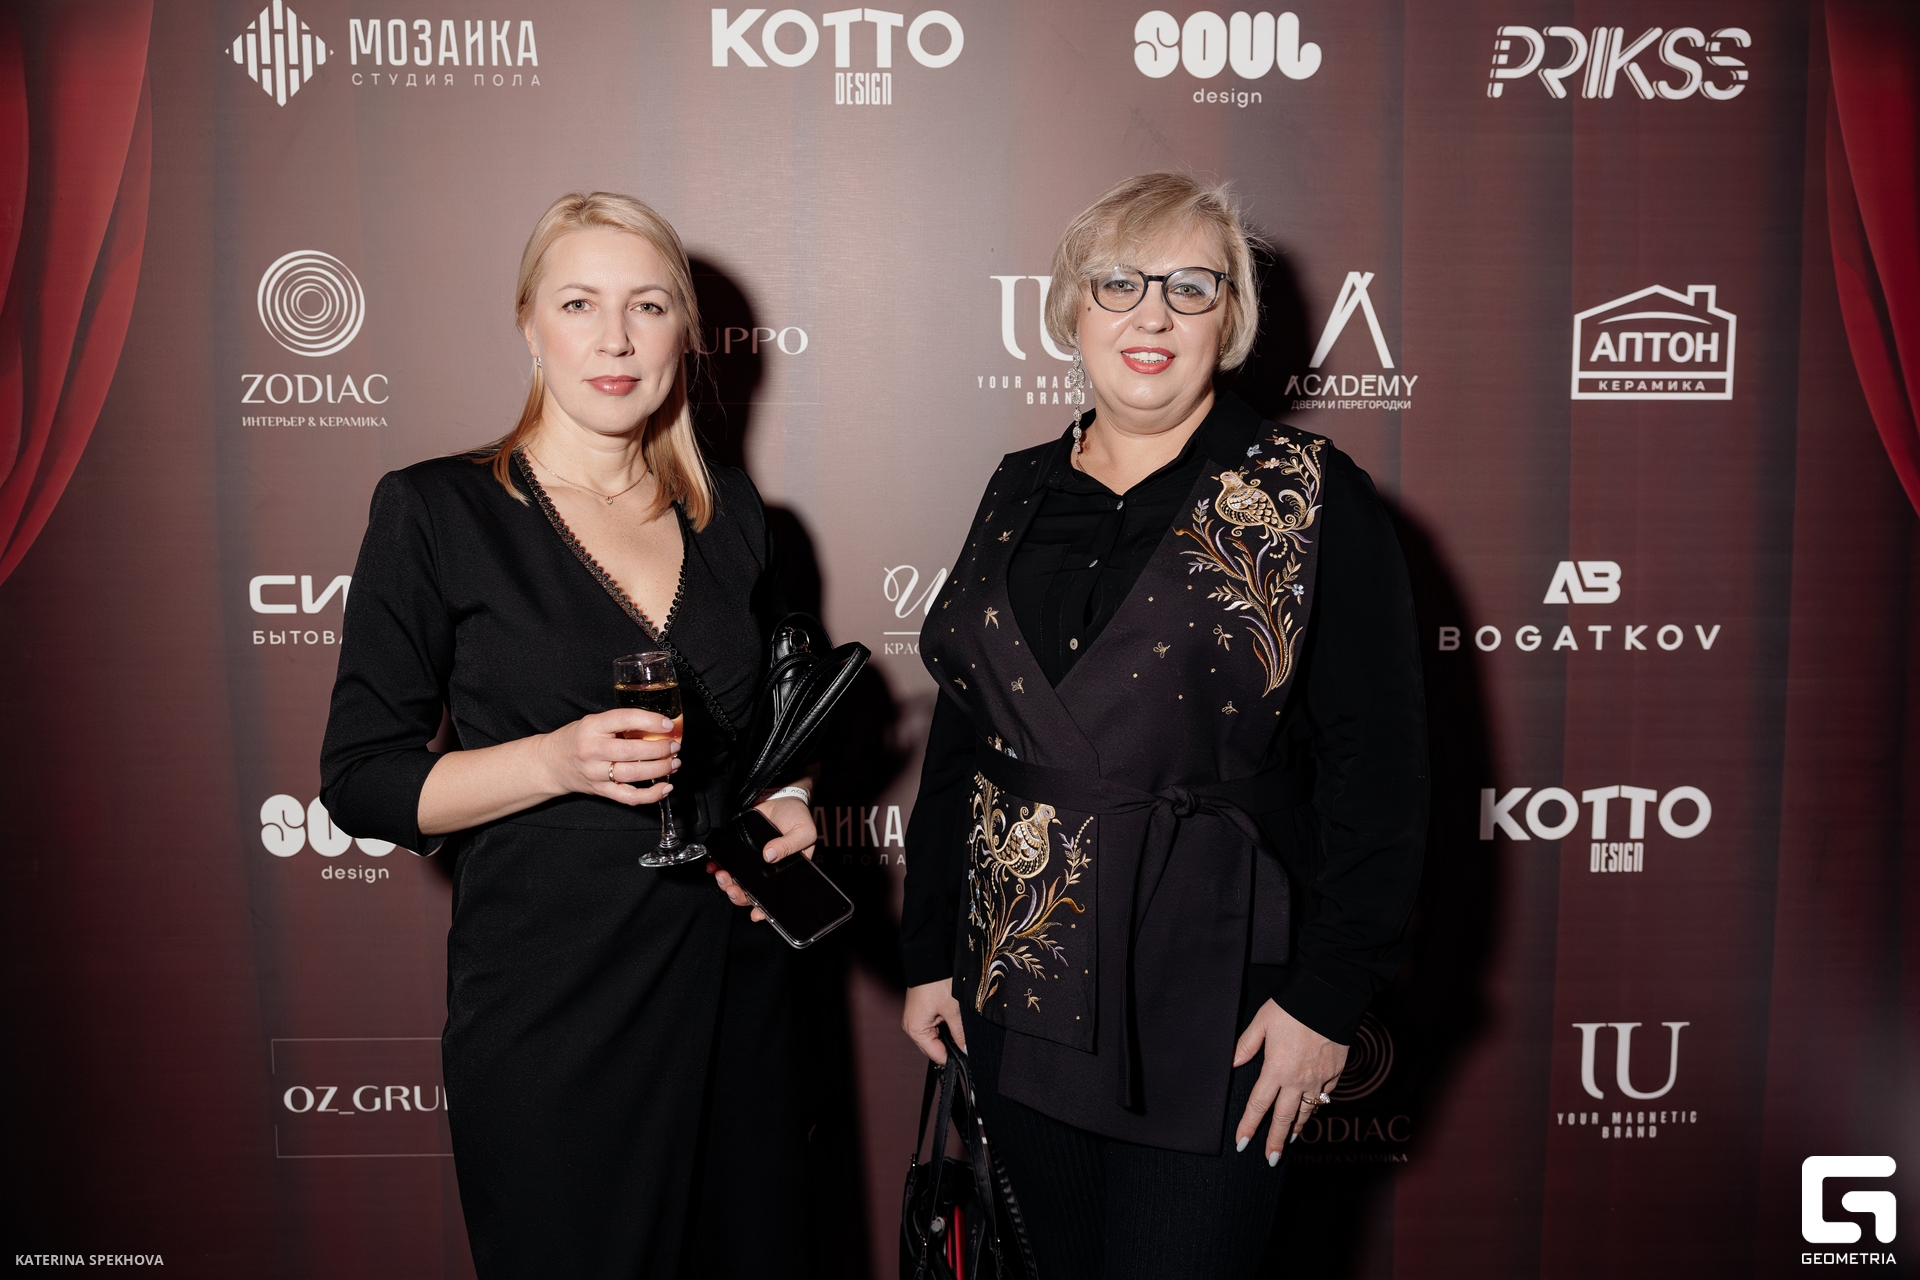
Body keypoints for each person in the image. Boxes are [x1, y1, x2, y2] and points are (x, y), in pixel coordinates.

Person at [898, 172, 1428, 1278]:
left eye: (1192, 286)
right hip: (1020, 968)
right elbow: (967, 738)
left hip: (1218, 989)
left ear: (1230, 319)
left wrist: (1327, 998)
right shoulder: (1017, 487)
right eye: (1119, 283)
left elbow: (1380, 771)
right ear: (1071, 309)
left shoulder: (1311, 494)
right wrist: (931, 950)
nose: (1152, 313)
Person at [320, 191, 819, 1278]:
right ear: (529, 324)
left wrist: (788, 796)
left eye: (649, 305)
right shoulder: (436, 511)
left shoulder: (733, 514)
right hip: (554, 1003)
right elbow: (360, 780)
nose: (616, 338)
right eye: (580, 302)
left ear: (685, 334)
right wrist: (553, 760)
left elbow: (775, 724)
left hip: (733, 987)